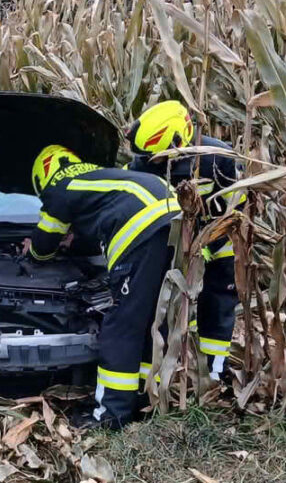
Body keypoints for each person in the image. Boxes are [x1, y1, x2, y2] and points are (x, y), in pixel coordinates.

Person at [27, 145, 180, 427]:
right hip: (171, 220)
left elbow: (43, 246)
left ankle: (111, 416)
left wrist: (31, 252)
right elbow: (99, 215)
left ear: (43, 178)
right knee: (152, 321)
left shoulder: (60, 186)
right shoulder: (93, 179)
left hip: (142, 224)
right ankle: (146, 399)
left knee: (123, 324)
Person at [126, 100, 245, 381]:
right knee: (162, 309)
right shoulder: (140, 163)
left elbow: (236, 205)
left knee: (217, 306)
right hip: (171, 245)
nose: (152, 162)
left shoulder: (218, 158)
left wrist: (209, 242)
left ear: (180, 140)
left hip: (218, 243)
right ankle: (155, 379)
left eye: (158, 157)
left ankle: (214, 372)